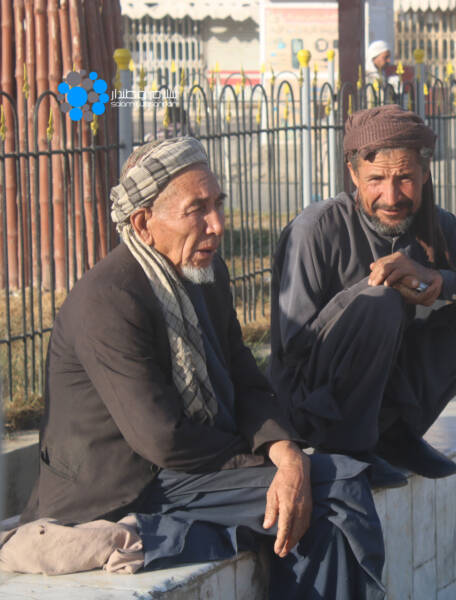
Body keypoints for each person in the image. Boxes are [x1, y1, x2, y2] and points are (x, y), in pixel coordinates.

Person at [17, 137, 385, 598]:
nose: (218, 224)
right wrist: (265, 465)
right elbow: (162, 437)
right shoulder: (109, 299)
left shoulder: (207, 273)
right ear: (143, 223)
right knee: (338, 486)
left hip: (189, 467)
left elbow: (246, 380)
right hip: (124, 486)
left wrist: (285, 454)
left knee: (319, 505)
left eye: (218, 204)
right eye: (197, 209)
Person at [269, 104, 456, 484]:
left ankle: (395, 436)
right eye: (376, 180)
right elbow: (293, 349)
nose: (391, 197)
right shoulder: (317, 229)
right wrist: (372, 296)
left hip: (388, 390)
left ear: (425, 173)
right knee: (380, 301)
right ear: (353, 174)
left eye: (404, 178)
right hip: (312, 404)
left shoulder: (434, 225)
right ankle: (349, 449)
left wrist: (441, 282)